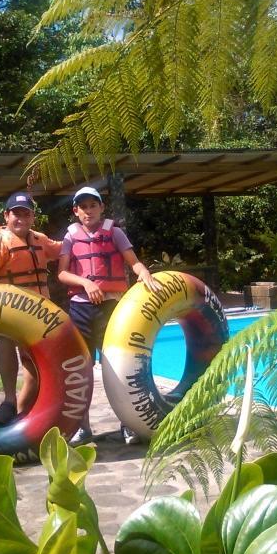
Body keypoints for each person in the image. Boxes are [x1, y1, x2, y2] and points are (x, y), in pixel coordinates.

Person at [58, 185, 162, 445]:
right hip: (81, 307)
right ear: (76, 211)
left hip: (111, 308)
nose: (89, 210)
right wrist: (86, 283)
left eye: (93, 205)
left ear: (101, 207)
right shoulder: (70, 237)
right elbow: (61, 273)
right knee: (80, 369)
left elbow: (133, 261)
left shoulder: (115, 232)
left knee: (116, 368)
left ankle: (128, 423)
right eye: (83, 206)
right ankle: (82, 427)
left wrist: (144, 273)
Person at [0, 191, 62, 423]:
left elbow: (63, 249)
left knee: (34, 364)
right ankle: (8, 401)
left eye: (26, 214)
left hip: (37, 312)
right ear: (6, 216)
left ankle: (22, 412)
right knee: (5, 343)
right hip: (8, 311)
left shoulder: (40, 239)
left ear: (33, 217)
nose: (21, 219)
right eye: (16, 214)